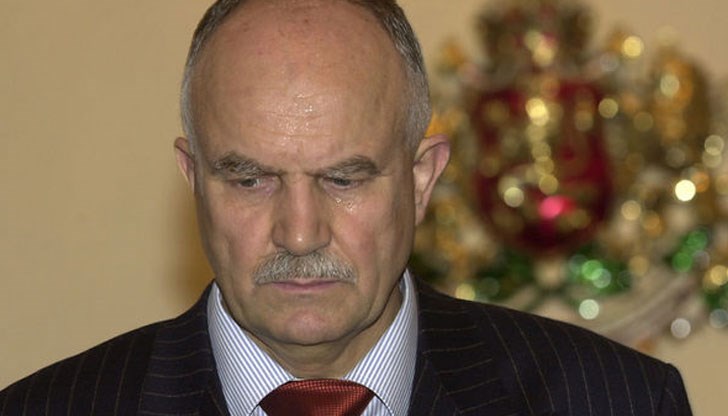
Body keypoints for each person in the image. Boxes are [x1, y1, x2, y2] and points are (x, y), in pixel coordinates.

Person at [0, 0, 692, 414]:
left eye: (344, 179)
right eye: (250, 180)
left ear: (421, 179)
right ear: (193, 179)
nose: (300, 233)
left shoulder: (618, 401)